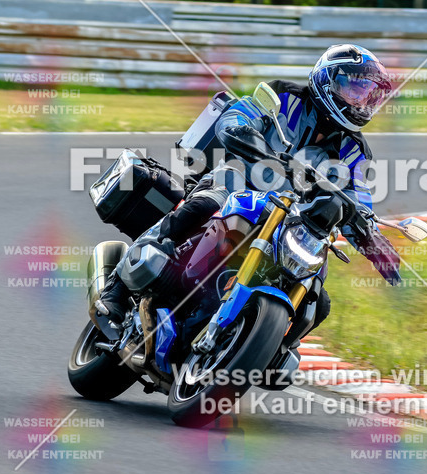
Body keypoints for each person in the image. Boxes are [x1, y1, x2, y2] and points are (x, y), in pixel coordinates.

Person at [95, 44, 402, 333]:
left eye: (367, 94)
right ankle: (117, 287)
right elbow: (236, 117)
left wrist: (375, 243)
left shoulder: (355, 152)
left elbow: (357, 200)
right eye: (354, 88)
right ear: (327, 80)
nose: (360, 101)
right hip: (236, 185)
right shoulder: (284, 95)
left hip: (290, 224)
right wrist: (264, 152)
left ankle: (271, 352)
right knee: (201, 207)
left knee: (317, 302)